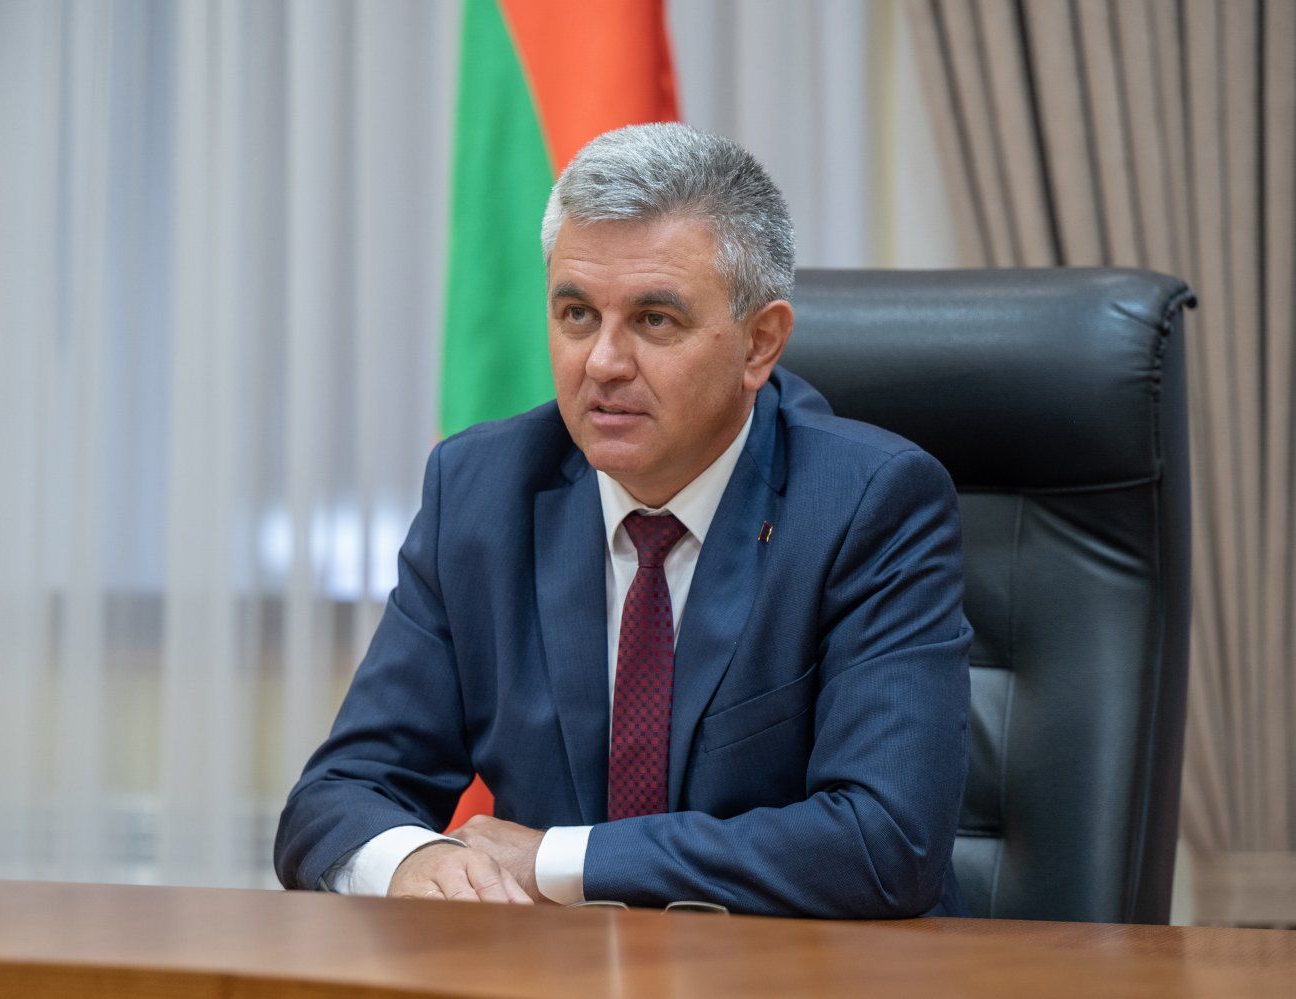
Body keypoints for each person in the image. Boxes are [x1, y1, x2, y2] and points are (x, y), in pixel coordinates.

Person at [274, 123, 972, 917]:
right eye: (577, 313)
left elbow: (885, 842)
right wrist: (414, 858)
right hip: (551, 970)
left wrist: (558, 859)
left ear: (759, 343)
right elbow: (334, 797)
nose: (602, 362)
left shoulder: (868, 504)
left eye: (654, 320)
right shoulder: (482, 491)